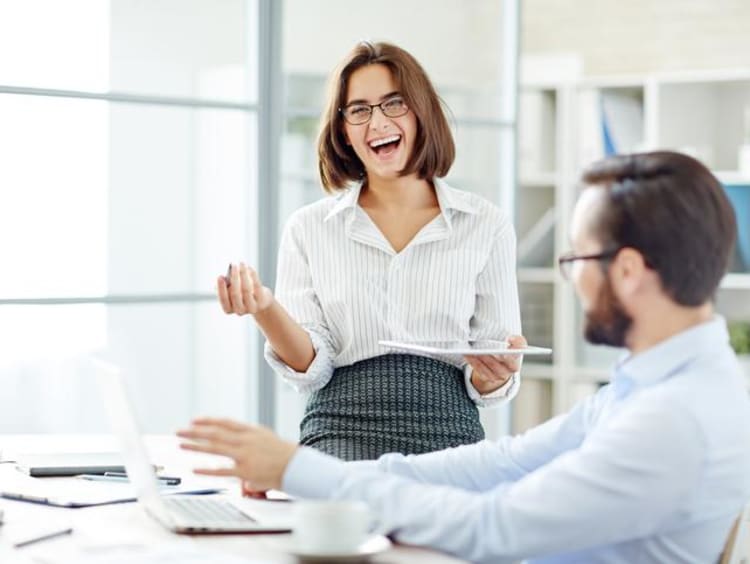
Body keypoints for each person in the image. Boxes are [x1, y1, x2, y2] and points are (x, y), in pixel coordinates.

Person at [181, 151, 750, 562]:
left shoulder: (672, 418)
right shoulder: (653, 383)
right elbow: (503, 462)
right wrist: (313, 474)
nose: (572, 279)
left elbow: (493, 526)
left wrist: (298, 470)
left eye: (576, 260)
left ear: (626, 271)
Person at [217, 41, 522, 461]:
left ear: (421, 112)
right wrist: (265, 307)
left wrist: (493, 374)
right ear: (343, 129)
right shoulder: (309, 228)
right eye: (359, 110)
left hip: (449, 434)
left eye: (393, 104)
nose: (377, 122)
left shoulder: (486, 224)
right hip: (339, 431)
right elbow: (312, 366)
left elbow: (485, 378)